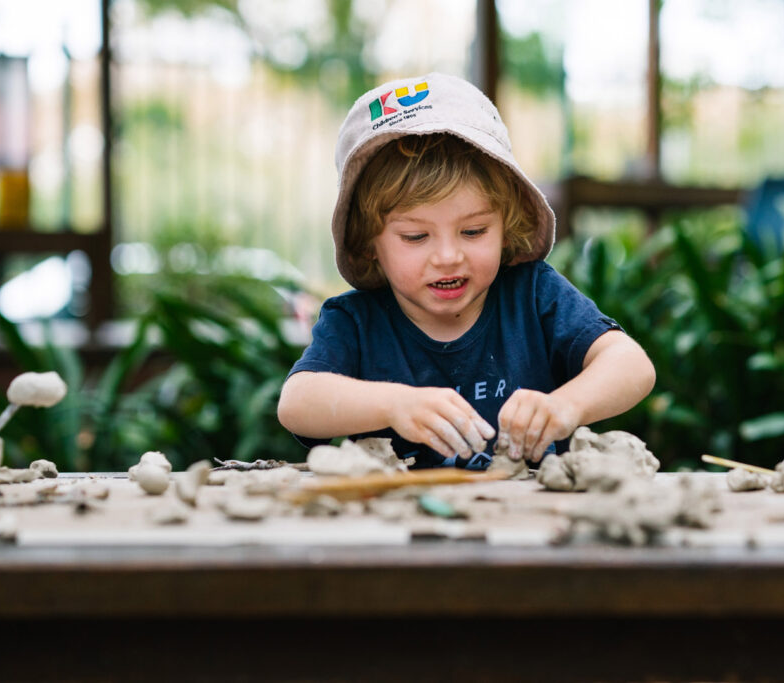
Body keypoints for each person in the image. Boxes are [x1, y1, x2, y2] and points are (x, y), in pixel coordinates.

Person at [277, 72, 655, 469]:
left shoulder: (533, 295)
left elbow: (632, 365)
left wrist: (566, 406)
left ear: (506, 225)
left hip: (532, 522)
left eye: (473, 231)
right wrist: (393, 405)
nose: (447, 256)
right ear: (369, 243)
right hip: (401, 525)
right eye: (416, 236)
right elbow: (297, 403)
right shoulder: (355, 322)